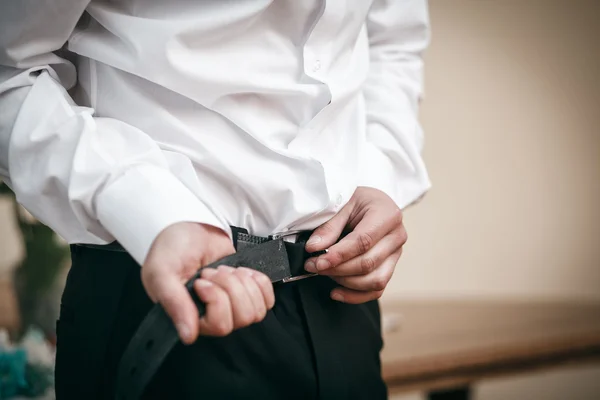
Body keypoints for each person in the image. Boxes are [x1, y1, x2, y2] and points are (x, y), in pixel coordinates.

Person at [0, 1, 431, 399]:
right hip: (166, 297)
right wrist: (149, 208)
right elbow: (8, 74)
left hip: (340, 304)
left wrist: (379, 176)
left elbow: (393, 44)